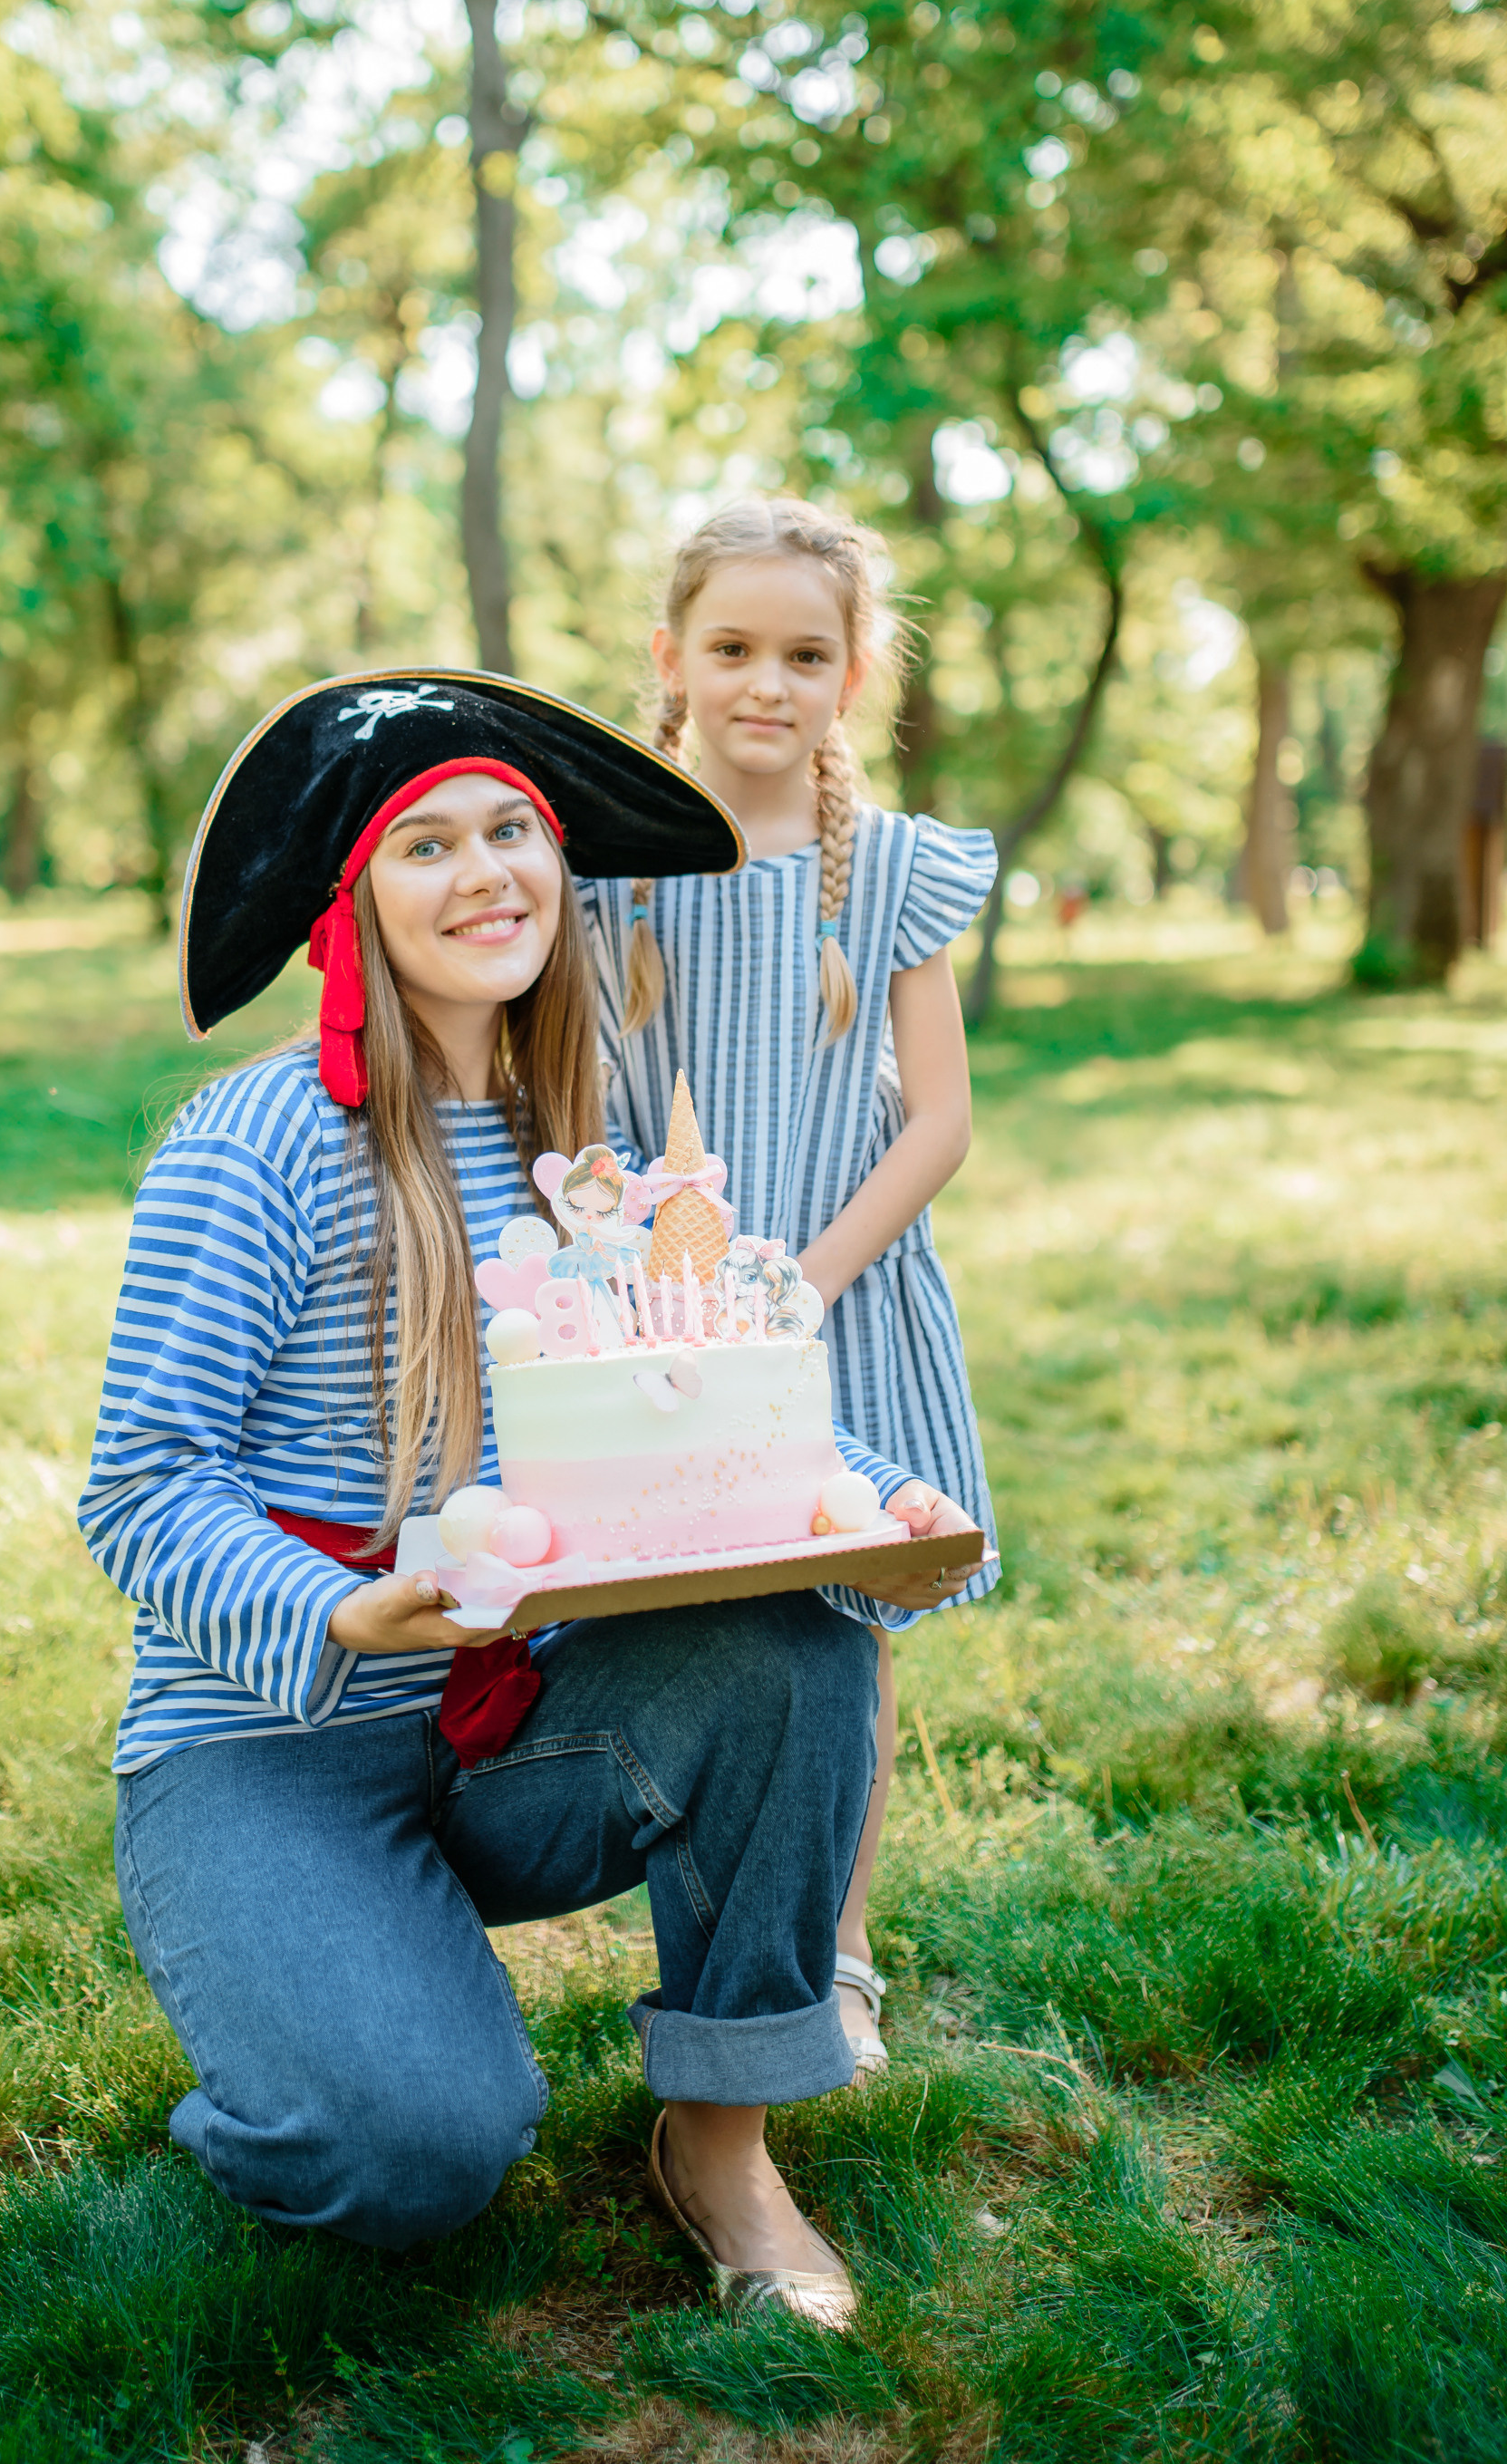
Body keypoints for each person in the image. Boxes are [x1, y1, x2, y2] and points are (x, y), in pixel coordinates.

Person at [78, 669, 959, 2329]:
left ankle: (721, 2139)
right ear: (355, 903)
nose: (485, 873)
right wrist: (348, 1605)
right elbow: (141, 1490)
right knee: (420, 2155)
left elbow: (691, 1385)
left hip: (512, 1718)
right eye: (426, 846)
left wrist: (864, 1499)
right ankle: (299, 2059)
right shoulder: (255, 1141)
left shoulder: (598, 1143)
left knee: (798, 1645)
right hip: (267, 1744)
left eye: (512, 832)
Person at [583, 498, 1000, 2078]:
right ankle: (716, 1929)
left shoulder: (886, 867)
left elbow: (942, 1119)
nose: (769, 682)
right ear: (671, 659)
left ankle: (839, 1945)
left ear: (855, 674)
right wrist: (646, 1276)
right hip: (659, 1324)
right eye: (735, 647)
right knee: (701, 1619)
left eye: (807, 654)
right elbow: (582, 1105)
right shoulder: (607, 868)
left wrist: (802, 1284)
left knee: (841, 1620)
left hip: (836, 1308)